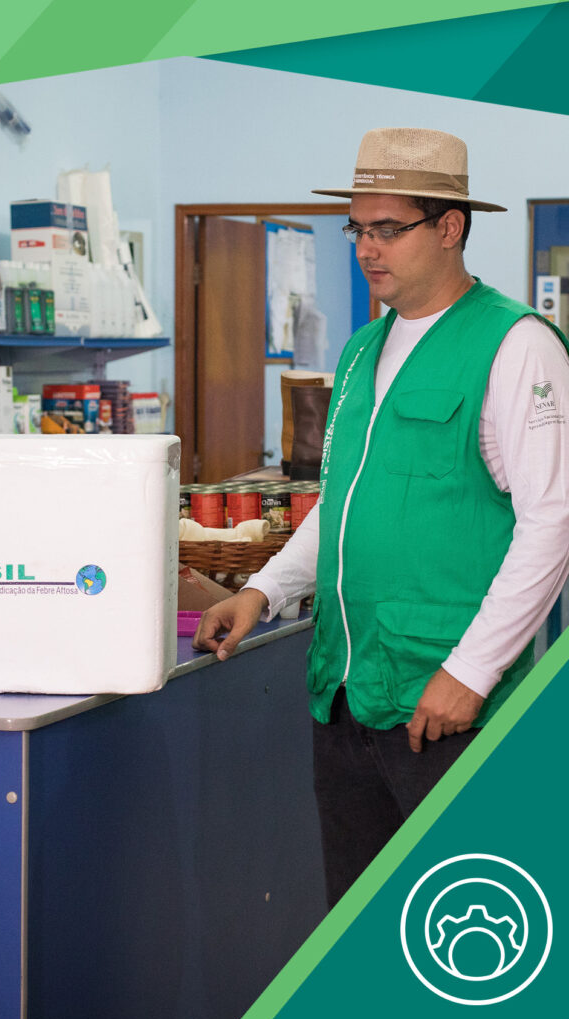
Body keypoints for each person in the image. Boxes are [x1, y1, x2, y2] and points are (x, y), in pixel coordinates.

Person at [194, 128, 569, 906]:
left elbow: (553, 522)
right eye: (357, 229)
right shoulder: (364, 350)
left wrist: (470, 673)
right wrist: (264, 590)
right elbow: (343, 500)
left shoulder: (515, 346)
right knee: (359, 922)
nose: (367, 248)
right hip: (346, 694)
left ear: (450, 226)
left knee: (462, 926)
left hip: (449, 706)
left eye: (388, 229)